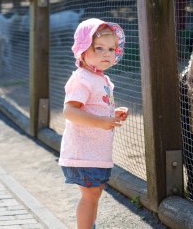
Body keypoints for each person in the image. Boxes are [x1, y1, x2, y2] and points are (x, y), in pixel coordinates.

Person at [59, 18, 128, 229]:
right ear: (82, 50)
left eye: (111, 48)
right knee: (90, 195)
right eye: (98, 48)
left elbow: (94, 106)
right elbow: (70, 111)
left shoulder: (102, 79)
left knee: (94, 194)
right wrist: (101, 121)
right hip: (83, 153)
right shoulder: (82, 78)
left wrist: (112, 113)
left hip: (96, 152)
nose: (106, 53)